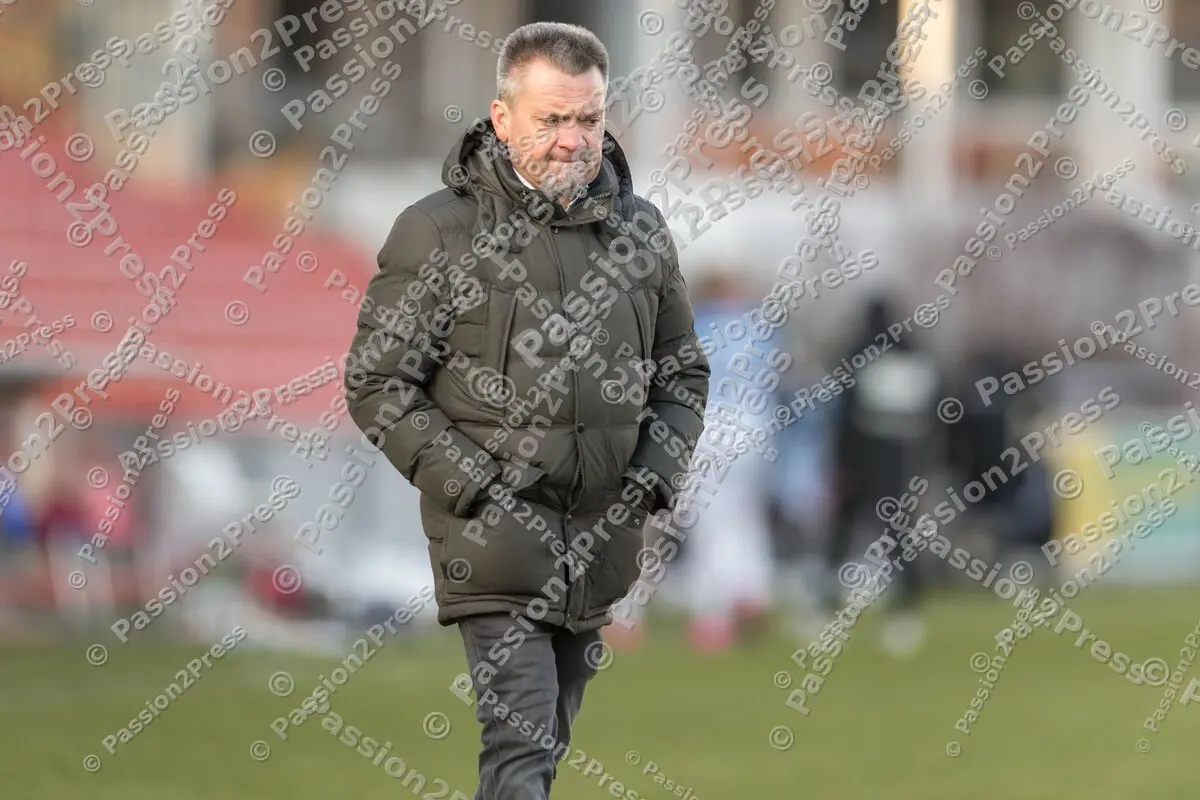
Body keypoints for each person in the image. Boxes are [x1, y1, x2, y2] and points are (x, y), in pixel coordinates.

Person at [344, 22, 710, 800]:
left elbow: (683, 373)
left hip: (603, 546)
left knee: (540, 757)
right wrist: (476, 487)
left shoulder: (640, 232)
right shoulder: (436, 231)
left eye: (588, 119)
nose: (573, 140)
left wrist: (647, 481)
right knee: (520, 752)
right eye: (551, 120)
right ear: (502, 118)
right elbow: (378, 383)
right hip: (495, 545)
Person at [825, 294, 945, 658]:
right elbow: (936, 410)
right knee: (898, 532)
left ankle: (827, 601)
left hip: (864, 454)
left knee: (846, 527)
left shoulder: (859, 351)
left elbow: (845, 411)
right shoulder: (914, 353)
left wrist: (840, 461)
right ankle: (906, 607)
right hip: (905, 455)